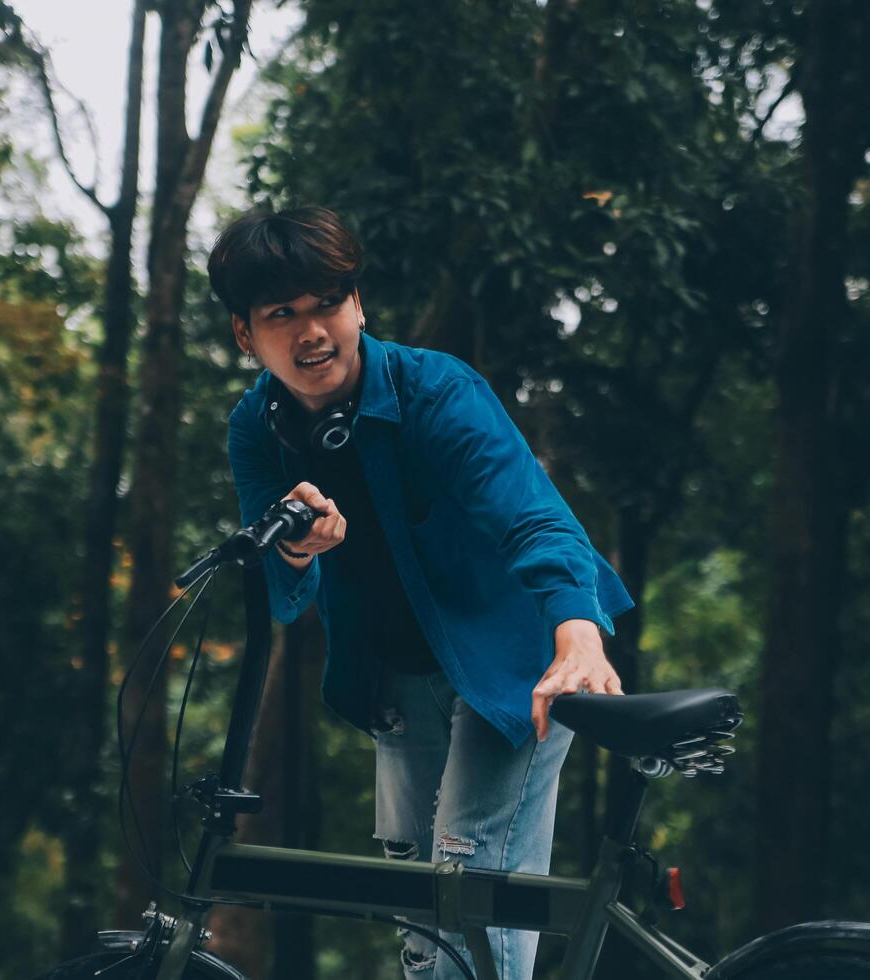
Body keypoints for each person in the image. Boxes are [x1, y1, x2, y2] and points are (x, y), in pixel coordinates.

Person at [210, 206, 632, 979]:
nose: (312, 333)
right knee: (416, 909)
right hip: (396, 678)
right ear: (246, 334)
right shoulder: (255, 430)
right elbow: (279, 596)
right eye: (282, 315)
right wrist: (297, 553)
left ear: (358, 304)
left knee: (469, 890)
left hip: (516, 669)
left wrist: (577, 631)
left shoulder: (436, 392)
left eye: (327, 305)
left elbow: (535, 517)